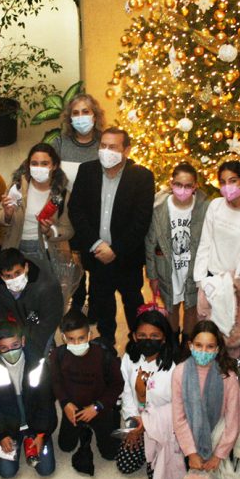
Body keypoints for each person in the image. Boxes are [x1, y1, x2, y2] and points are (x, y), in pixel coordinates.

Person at [68, 127, 155, 347]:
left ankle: (139, 344)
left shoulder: (142, 176)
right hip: (97, 256)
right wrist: (96, 244)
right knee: (102, 304)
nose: (106, 151)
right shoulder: (87, 171)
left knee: (133, 303)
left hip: (126, 258)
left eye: (113, 147)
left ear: (126, 150)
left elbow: (141, 220)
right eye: (103, 146)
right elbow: (76, 210)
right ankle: (107, 347)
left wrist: (115, 249)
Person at [171, 321, 240, 479]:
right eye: (199, 345)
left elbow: (234, 419)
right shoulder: (179, 372)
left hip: (218, 432)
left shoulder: (226, 376)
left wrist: (219, 455)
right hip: (191, 433)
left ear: (217, 349)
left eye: (210, 346)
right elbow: (179, 418)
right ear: (190, 346)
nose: (203, 351)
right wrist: (191, 452)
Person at [193, 161, 240, 352]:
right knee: (208, 337)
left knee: (232, 339)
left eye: (232, 181)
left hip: (233, 287)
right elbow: (205, 243)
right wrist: (201, 279)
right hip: (209, 281)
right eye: (223, 182)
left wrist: (235, 285)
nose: (227, 186)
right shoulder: (215, 206)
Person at [116, 308, 185, 479]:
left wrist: (146, 424)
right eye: (142, 335)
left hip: (165, 426)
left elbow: (179, 406)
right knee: (125, 465)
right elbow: (127, 391)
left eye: (154, 335)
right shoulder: (130, 358)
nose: (148, 340)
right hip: (138, 422)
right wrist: (132, 423)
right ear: (134, 336)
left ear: (164, 338)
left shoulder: (175, 366)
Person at [0, 322, 57, 479]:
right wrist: (2, 435)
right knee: (7, 473)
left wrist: (41, 434)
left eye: (15, 345)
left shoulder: (38, 363)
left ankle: (36, 439)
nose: (11, 351)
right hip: (10, 428)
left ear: (23, 341)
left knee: (46, 470)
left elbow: (46, 403)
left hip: (36, 426)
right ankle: (15, 440)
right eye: (4, 348)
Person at [49, 311, 123, 475]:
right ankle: (83, 429)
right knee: (65, 446)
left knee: (110, 453)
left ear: (89, 335)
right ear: (63, 337)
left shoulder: (103, 356)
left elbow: (117, 385)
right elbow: (56, 382)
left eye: (81, 338)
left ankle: (108, 420)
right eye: (71, 339)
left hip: (99, 408)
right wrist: (65, 403)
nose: (76, 343)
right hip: (73, 408)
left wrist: (97, 407)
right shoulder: (57, 355)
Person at [52, 92, 105, 321]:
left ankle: (95, 305)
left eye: (86, 112)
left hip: (98, 214)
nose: (81, 117)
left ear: (95, 115)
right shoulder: (60, 143)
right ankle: (76, 302)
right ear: (69, 118)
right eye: (76, 113)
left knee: (95, 262)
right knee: (74, 262)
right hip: (68, 214)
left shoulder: (104, 142)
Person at [145, 162, 209, 343]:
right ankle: (172, 344)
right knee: (171, 308)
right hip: (167, 269)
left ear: (195, 186)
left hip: (193, 270)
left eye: (188, 186)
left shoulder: (204, 208)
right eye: (178, 185)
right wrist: (152, 276)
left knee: (191, 308)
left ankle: (187, 345)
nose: (183, 190)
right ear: (171, 183)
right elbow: (150, 243)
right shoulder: (159, 208)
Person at [0, 143, 74, 266]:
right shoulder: (17, 187)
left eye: (44, 163)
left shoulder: (63, 195)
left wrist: (50, 231)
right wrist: (7, 214)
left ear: (54, 166)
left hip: (46, 250)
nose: (39, 168)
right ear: (28, 165)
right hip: (15, 246)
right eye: (34, 163)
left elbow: (68, 230)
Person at [0, 248, 63, 359]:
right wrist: (11, 337)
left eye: (18, 273)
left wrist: (30, 345)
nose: (14, 279)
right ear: (1, 276)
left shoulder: (47, 285)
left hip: (41, 323)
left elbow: (50, 320)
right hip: (19, 323)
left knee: (38, 357)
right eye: (8, 276)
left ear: (26, 267)